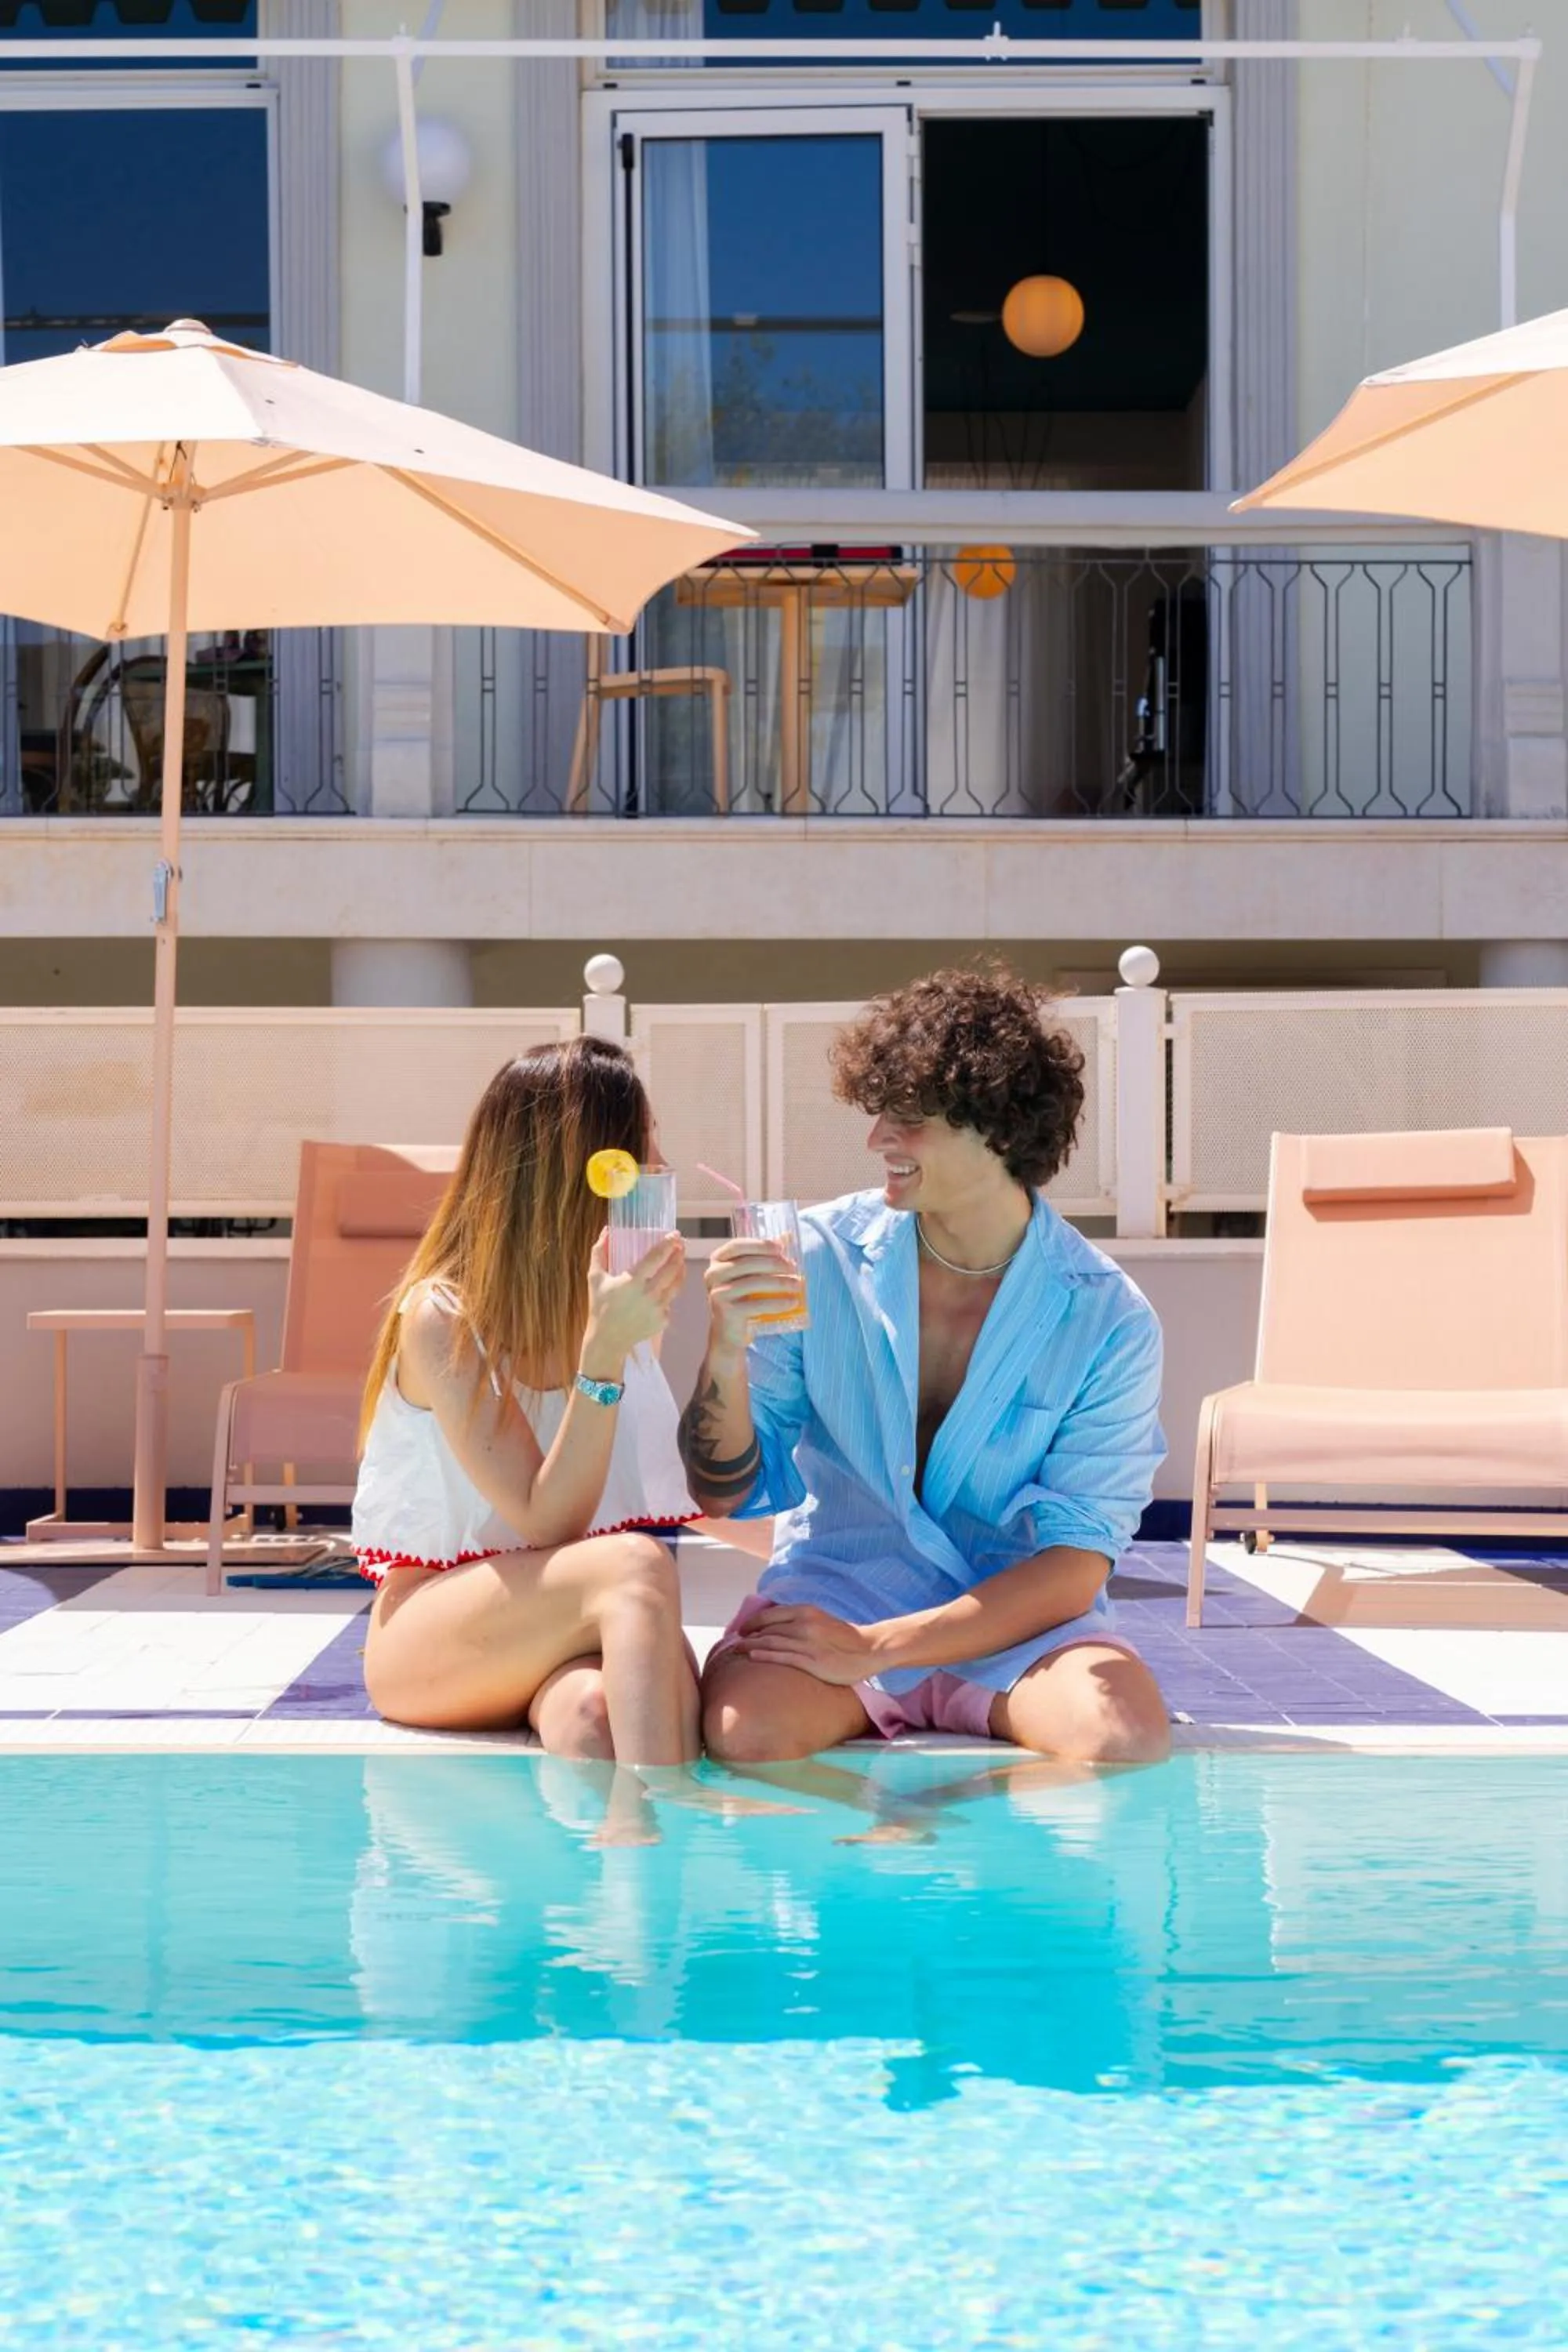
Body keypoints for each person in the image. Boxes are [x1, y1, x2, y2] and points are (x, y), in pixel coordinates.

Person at [682, 965, 1171, 1767]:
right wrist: (725, 1351)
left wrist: (879, 1648)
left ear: (1000, 1130)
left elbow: (1073, 1566)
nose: (877, 1141)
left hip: (1012, 1623)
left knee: (1119, 1739)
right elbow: (724, 1490)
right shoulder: (816, 1258)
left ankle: (967, 1879)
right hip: (839, 1590)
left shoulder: (1105, 1319)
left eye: (906, 1120)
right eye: (878, 1115)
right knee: (747, 1734)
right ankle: (881, 1868)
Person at [354, 1037, 702, 1762]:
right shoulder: (442, 1317)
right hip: (438, 1634)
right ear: (580, 1172)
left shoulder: (611, 1306)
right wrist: (603, 1354)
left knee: (596, 1716)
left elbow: (680, 1488)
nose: (664, 1167)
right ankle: (668, 1826)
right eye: (643, 1146)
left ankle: (625, 1869)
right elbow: (550, 1517)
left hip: (562, 1620)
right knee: (636, 1565)